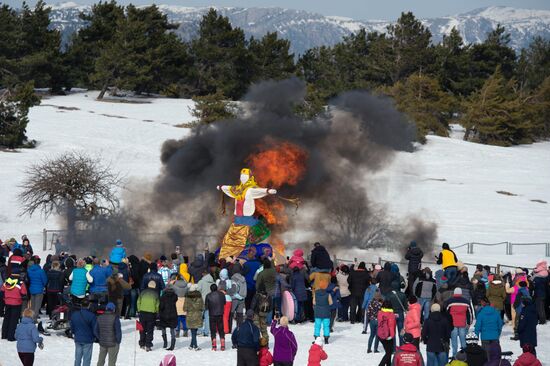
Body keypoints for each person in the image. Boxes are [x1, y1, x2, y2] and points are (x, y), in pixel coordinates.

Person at [445, 287, 472, 357]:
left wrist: (447, 323)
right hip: (462, 324)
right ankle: (465, 356)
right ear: (461, 293)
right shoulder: (466, 302)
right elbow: (470, 314)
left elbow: (446, 313)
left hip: (452, 324)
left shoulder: (449, 301)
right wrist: (469, 323)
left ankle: (454, 357)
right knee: (463, 341)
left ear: (454, 293)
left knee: (454, 343)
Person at [70, 298, 97, 366]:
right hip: (88, 340)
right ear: (89, 305)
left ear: (81, 305)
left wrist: (74, 333)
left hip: (78, 338)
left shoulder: (74, 314)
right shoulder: (92, 316)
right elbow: (95, 328)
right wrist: (95, 337)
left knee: (77, 358)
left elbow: (72, 326)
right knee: (87, 359)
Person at [1, 276, 28, 341]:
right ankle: (11, 336)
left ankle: (4, 335)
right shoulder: (20, 283)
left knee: (6, 318)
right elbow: (24, 293)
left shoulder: (6, 282)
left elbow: (2, 291)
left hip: (7, 303)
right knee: (14, 320)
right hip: (16, 303)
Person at [137, 280, 160, 352]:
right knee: (150, 330)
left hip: (142, 313)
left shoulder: (143, 292)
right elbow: (157, 305)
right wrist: (156, 311)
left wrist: (139, 309)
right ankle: (148, 345)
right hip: (151, 314)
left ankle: (142, 343)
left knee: (142, 329)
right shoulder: (156, 294)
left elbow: (138, 302)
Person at [205, 283, 226, 350]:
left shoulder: (208, 295)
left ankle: (214, 344)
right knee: (221, 329)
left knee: (213, 330)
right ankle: (222, 343)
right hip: (220, 314)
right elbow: (224, 303)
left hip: (212, 315)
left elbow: (206, 306)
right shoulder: (222, 294)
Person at [184, 284, 204, 350]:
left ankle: (192, 345)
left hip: (190, 315)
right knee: (194, 331)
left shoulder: (187, 297)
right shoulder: (199, 297)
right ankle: (194, 345)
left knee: (193, 331)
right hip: (198, 315)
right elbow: (203, 307)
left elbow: (185, 308)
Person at [27, 256, 48, 322]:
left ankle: (31, 317)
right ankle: (34, 319)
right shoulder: (41, 271)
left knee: (32, 305)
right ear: (39, 262)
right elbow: (45, 281)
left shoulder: (29, 270)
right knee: (37, 305)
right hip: (39, 290)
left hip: (31, 289)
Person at [377, 300, 397, 366]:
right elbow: (391, 326)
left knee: (387, 352)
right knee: (389, 353)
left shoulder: (380, 313)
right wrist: (392, 335)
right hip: (388, 336)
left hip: (380, 335)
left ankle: (388, 365)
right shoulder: (391, 315)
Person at [313, 278, 332, 344]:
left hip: (318, 312)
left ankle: (316, 338)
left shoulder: (316, 293)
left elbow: (314, 302)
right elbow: (331, 303)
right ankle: (326, 339)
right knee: (326, 326)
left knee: (317, 326)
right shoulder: (328, 294)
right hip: (326, 312)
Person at [197, 269, 215, 337]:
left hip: (202, 301)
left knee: (200, 317)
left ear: (204, 274)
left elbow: (198, 291)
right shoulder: (213, 282)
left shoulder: (201, 282)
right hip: (210, 301)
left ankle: (200, 330)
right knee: (207, 317)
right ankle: (206, 331)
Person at [159, 286, 178, 351]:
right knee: (172, 330)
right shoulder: (175, 296)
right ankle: (172, 345)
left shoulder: (163, 297)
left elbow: (161, 307)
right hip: (173, 314)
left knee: (163, 328)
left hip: (164, 315)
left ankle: (165, 343)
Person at [532, 260, 548, 325]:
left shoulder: (538, 277)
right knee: (541, 306)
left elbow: (536, 285)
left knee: (540, 307)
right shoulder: (546, 274)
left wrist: (533, 279)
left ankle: (542, 320)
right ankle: (542, 318)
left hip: (539, 293)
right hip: (543, 293)